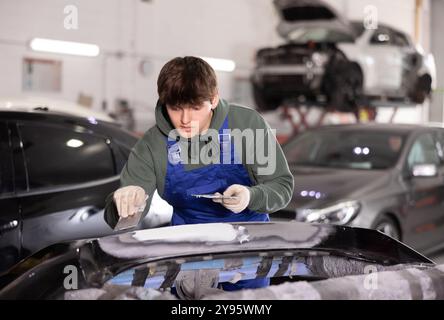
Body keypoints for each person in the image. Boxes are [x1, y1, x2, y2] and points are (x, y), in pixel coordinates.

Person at [104, 56, 294, 291]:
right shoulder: (152, 145)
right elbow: (122, 223)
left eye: (195, 108)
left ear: (213, 99)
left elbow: (281, 187)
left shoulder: (246, 124)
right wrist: (124, 205)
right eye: (175, 108)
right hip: (187, 254)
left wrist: (250, 197)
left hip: (248, 252)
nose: (184, 119)